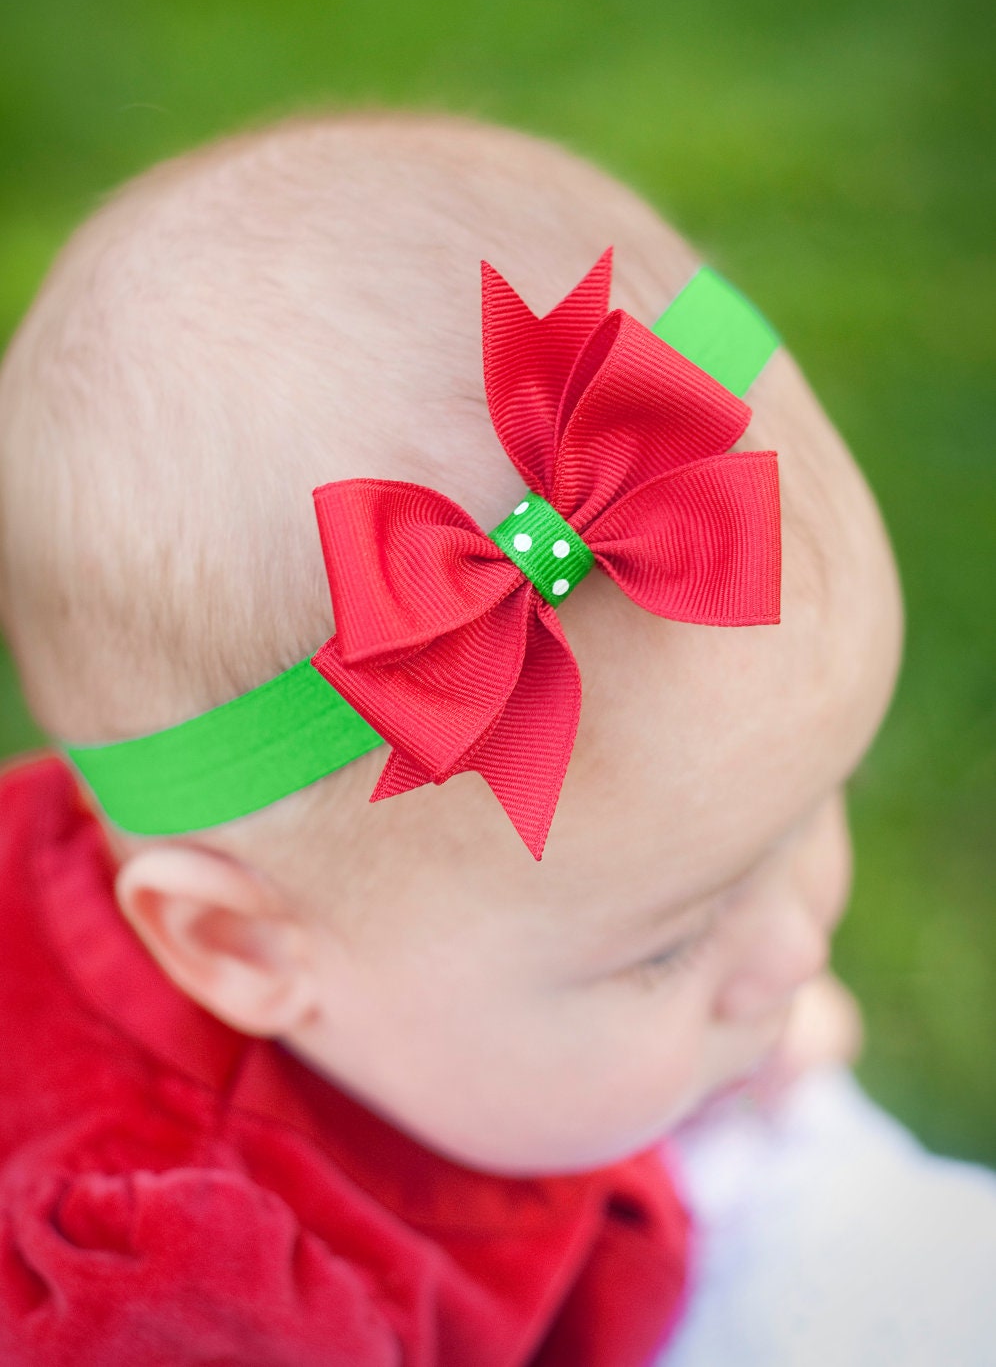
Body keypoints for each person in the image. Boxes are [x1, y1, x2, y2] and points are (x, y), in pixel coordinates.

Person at [0, 114, 991, 1365]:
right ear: (240, 947)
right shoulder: (195, 1300)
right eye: (669, 946)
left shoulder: (424, 980)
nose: (798, 950)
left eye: (807, 820)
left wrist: (695, 1013)